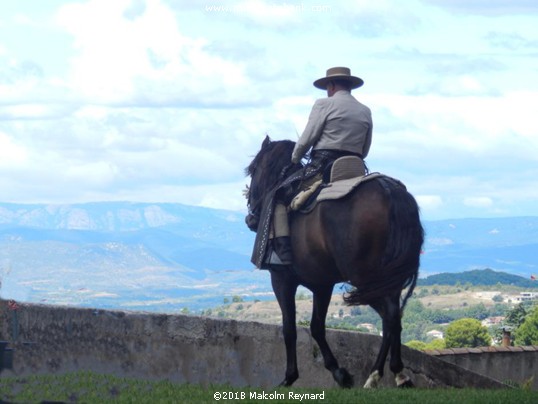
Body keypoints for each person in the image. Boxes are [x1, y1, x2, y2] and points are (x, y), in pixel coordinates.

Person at [270, 66, 373, 269]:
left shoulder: (323, 104)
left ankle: (283, 253)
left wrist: (295, 157)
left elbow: (307, 138)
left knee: (279, 196)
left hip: (324, 165)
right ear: (350, 86)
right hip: (356, 166)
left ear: (331, 85)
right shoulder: (365, 110)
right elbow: (366, 148)